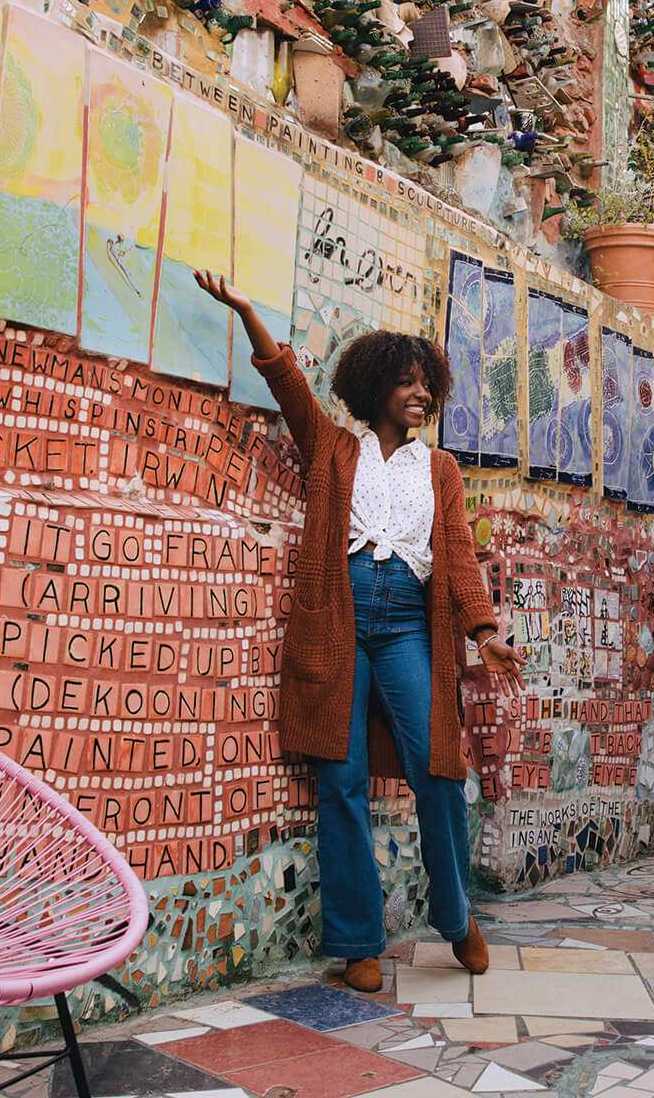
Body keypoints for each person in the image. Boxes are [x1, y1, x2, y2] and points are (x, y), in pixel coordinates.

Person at [197, 271, 523, 994]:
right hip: (338, 626)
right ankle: (357, 942)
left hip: (408, 626)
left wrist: (485, 631)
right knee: (339, 782)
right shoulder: (334, 448)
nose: (420, 394)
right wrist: (249, 308)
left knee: (438, 773)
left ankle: (456, 913)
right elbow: (286, 383)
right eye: (406, 382)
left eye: (426, 385)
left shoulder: (440, 469)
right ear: (374, 386)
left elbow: (459, 556)